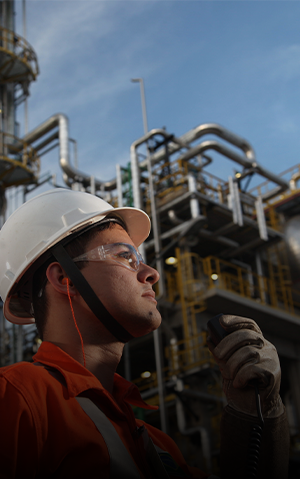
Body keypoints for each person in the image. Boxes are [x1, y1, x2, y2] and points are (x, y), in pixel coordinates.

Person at [0, 188, 289, 479]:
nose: (151, 272)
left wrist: (257, 414)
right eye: (125, 257)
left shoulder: (158, 446)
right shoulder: (14, 397)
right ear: (64, 279)